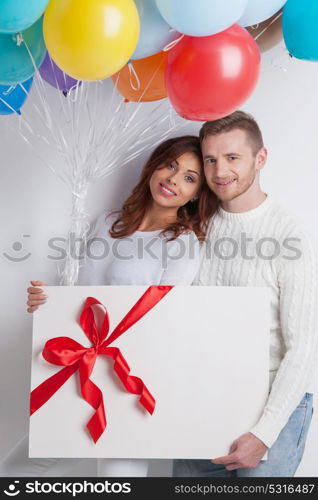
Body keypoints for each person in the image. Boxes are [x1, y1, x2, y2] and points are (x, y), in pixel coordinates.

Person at [0, 135, 217, 478]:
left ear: (196, 195)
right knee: (15, 468)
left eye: (190, 178)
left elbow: (164, 318)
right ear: (154, 165)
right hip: (80, 371)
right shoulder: (107, 222)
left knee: (118, 480)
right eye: (171, 165)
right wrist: (48, 301)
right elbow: (83, 295)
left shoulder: (182, 243)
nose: (174, 179)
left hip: (126, 380)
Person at [173, 110, 318, 478]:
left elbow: (302, 348)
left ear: (261, 158)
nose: (220, 171)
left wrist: (264, 434)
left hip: (274, 407)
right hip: (206, 397)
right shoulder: (196, 225)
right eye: (210, 159)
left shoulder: (290, 238)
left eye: (232, 158)